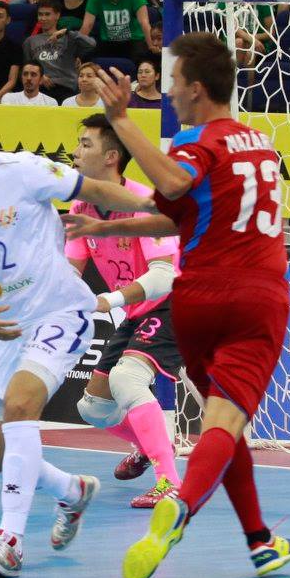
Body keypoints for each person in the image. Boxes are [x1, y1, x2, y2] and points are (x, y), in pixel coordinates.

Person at [79, 35, 290, 578]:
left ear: (197, 88)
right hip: (253, 299)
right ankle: (180, 506)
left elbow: (175, 195)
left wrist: (123, 124)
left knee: (223, 423)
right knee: (224, 421)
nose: (170, 93)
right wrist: (121, 121)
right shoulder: (259, 143)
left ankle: (259, 541)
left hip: (196, 303)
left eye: (174, 83)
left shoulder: (197, 141)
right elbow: (179, 192)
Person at [0, 92, 152, 577]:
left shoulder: (21, 170)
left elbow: (100, 190)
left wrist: (165, 206)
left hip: (60, 310)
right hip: (3, 326)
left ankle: (10, 540)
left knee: (21, 406)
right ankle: (71, 490)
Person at [66, 114, 184, 509]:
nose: (75, 152)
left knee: (127, 378)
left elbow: (165, 276)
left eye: (85, 144)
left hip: (174, 302)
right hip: (136, 311)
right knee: (94, 408)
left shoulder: (143, 204)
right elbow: (70, 272)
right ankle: (153, 447)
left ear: (111, 157)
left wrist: (109, 301)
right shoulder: (82, 206)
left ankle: (170, 482)